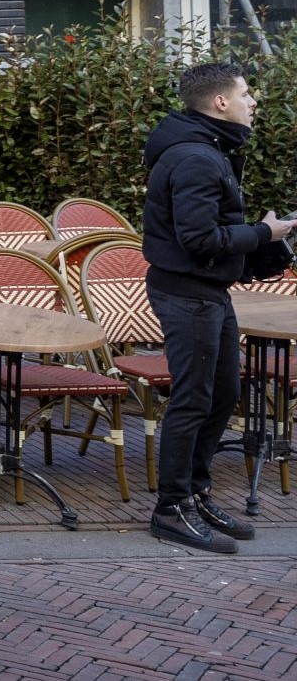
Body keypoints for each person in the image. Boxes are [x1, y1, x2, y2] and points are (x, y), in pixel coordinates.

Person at [141, 61, 296, 554]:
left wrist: (261, 244)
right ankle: (170, 509)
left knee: (223, 393)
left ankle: (196, 494)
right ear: (221, 102)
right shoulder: (196, 158)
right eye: (246, 94)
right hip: (187, 293)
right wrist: (265, 233)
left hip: (207, 291)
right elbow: (199, 240)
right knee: (193, 399)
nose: (254, 103)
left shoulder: (207, 148)